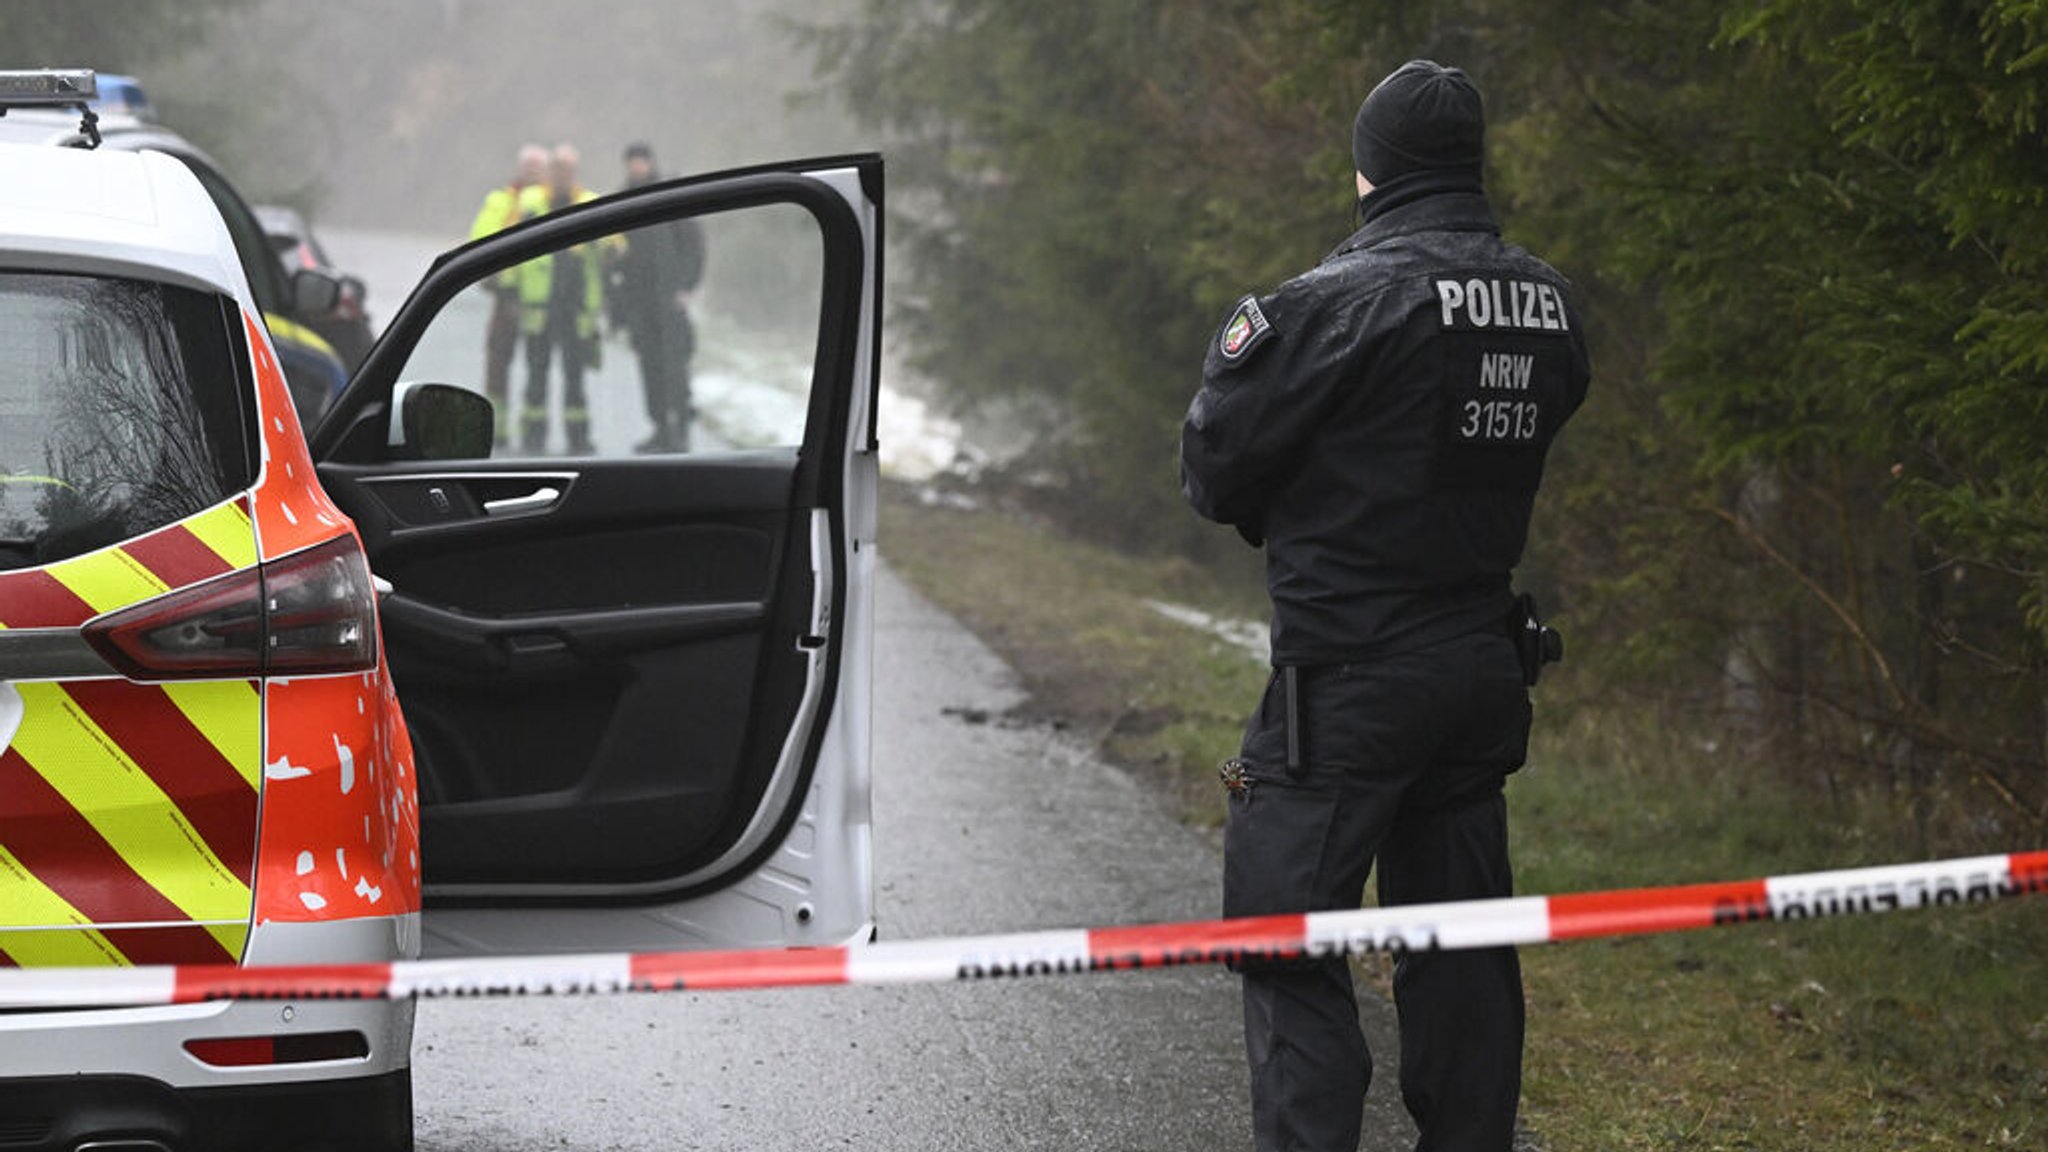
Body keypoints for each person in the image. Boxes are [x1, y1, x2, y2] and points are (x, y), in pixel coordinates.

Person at [1180, 60, 1591, 1152]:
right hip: (1476, 674)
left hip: (1344, 688)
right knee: (1459, 946)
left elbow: (1213, 471)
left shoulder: (1326, 307)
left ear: (1367, 169)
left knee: (1283, 938)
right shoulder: (1545, 303)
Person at [611, 141, 707, 453]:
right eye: (632, 162)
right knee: (649, 368)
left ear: (651, 163)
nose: (637, 167)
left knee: (674, 367)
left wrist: (687, 288)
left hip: (669, 300)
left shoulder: (669, 198)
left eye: (641, 161)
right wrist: (618, 306)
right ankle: (660, 428)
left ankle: (679, 428)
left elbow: (695, 246)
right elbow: (614, 255)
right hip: (639, 302)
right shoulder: (621, 203)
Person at [514, 144, 603, 453]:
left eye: (568, 170)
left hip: (576, 307)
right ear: (550, 171)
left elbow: (613, 242)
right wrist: (508, 287)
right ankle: (533, 434)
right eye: (558, 169)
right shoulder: (530, 202)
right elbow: (511, 246)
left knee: (575, 375)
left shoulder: (591, 203)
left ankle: (578, 438)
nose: (563, 175)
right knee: (536, 373)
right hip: (540, 304)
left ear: (575, 173)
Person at [468, 143, 549, 445]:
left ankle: (534, 428)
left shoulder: (552, 201)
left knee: (538, 361)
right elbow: (480, 237)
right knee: (498, 360)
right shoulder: (501, 200)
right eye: (528, 166)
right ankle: (496, 427)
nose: (532, 172)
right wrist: (487, 276)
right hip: (506, 295)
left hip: (542, 299)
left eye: (538, 167)